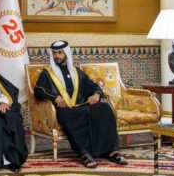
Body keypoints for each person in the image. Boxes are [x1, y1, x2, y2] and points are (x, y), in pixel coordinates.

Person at [33, 40, 127, 168]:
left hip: (81, 106)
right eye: (54, 53)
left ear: (66, 53)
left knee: (104, 108)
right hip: (64, 109)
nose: (57, 56)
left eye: (60, 53)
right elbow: (38, 90)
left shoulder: (76, 72)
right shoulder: (47, 73)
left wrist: (96, 95)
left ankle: (112, 151)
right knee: (67, 115)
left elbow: (93, 86)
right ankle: (85, 153)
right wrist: (55, 97)